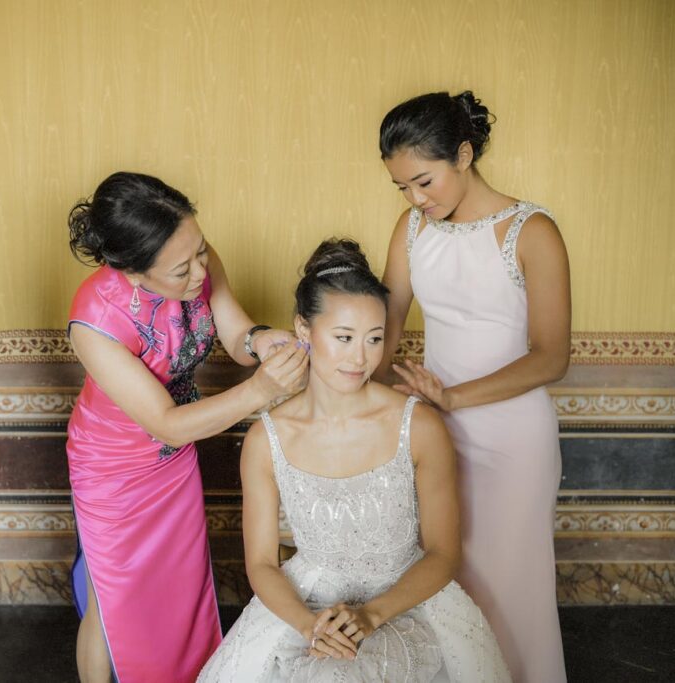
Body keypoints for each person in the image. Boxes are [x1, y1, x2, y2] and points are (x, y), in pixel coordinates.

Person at [198, 238, 509, 682]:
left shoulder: (418, 427)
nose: (360, 358)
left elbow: (443, 554)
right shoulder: (266, 439)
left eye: (374, 339)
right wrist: (310, 627)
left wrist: (372, 615)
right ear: (303, 330)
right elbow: (262, 564)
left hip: (405, 598)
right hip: (304, 603)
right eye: (343, 338)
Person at [65, 171, 309, 682]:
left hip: (174, 460)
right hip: (112, 468)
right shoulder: (93, 319)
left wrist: (262, 341)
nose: (200, 270)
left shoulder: (194, 255)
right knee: (114, 598)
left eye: (200, 251)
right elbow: (168, 424)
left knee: (180, 589)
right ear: (132, 272)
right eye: (181, 269)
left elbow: (236, 330)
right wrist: (260, 391)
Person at [374, 90, 571, 682]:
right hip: (434, 433)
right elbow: (384, 328)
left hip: (513, 441)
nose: (415, 198)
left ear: (463, 154)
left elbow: (552, 357)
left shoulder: (531, 230)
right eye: (403, 187)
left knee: (509, 590)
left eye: (424, 181)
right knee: (444, 583)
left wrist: (455, 397)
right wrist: (356, 401)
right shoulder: (411, 229)